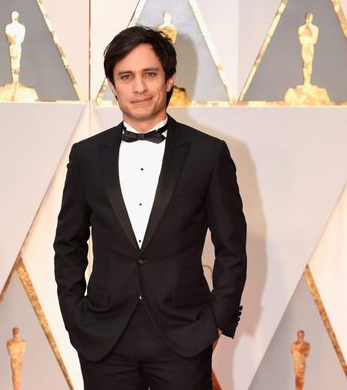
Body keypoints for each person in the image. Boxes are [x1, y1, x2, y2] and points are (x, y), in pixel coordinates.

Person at [54, 25, 247, 390]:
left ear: (170, 79)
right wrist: (74, 316)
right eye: (126, 76)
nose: (138, 87)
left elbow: (232, 247)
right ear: (113, 85)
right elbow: (68, 243)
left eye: (149, 74)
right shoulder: (86, 156)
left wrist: (217, 320)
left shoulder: (209, 154)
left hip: (184, 335)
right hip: (104, 338)